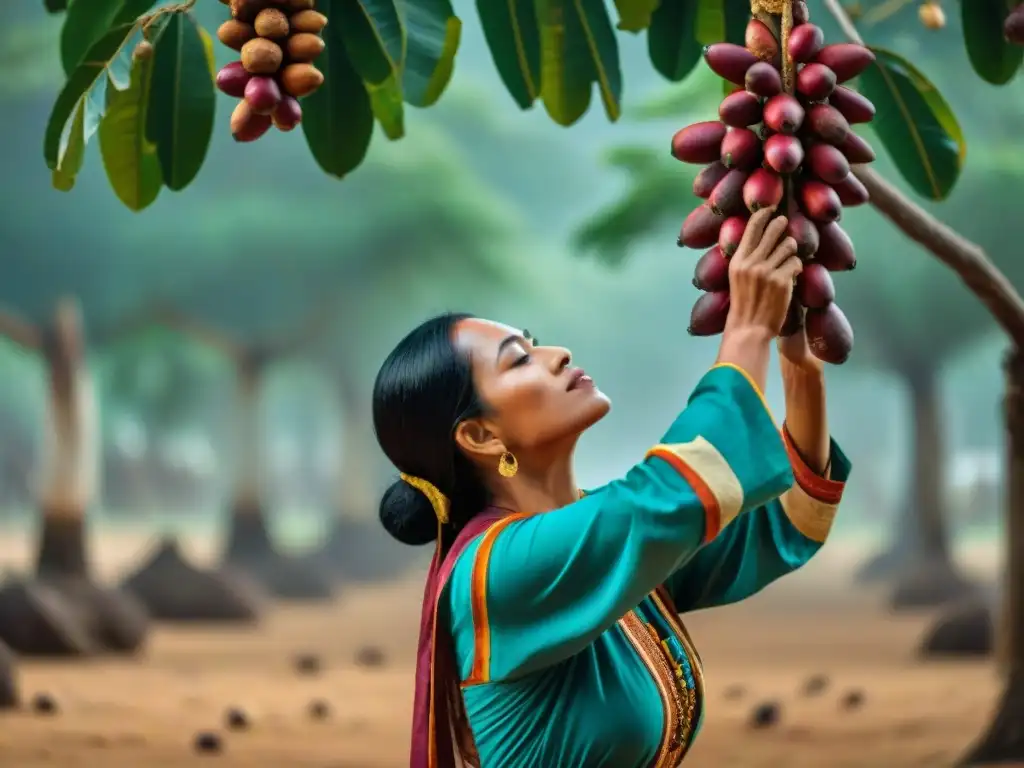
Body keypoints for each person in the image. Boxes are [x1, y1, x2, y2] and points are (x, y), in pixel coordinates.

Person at [372, 207, 850, 768]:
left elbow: (780, 519)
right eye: (520, 360)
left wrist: (798, 363)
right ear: (479, 434)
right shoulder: (497, 573)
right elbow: (667, 499)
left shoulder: (600, 544)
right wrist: (746, 329)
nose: (558, 355)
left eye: (537, 341)